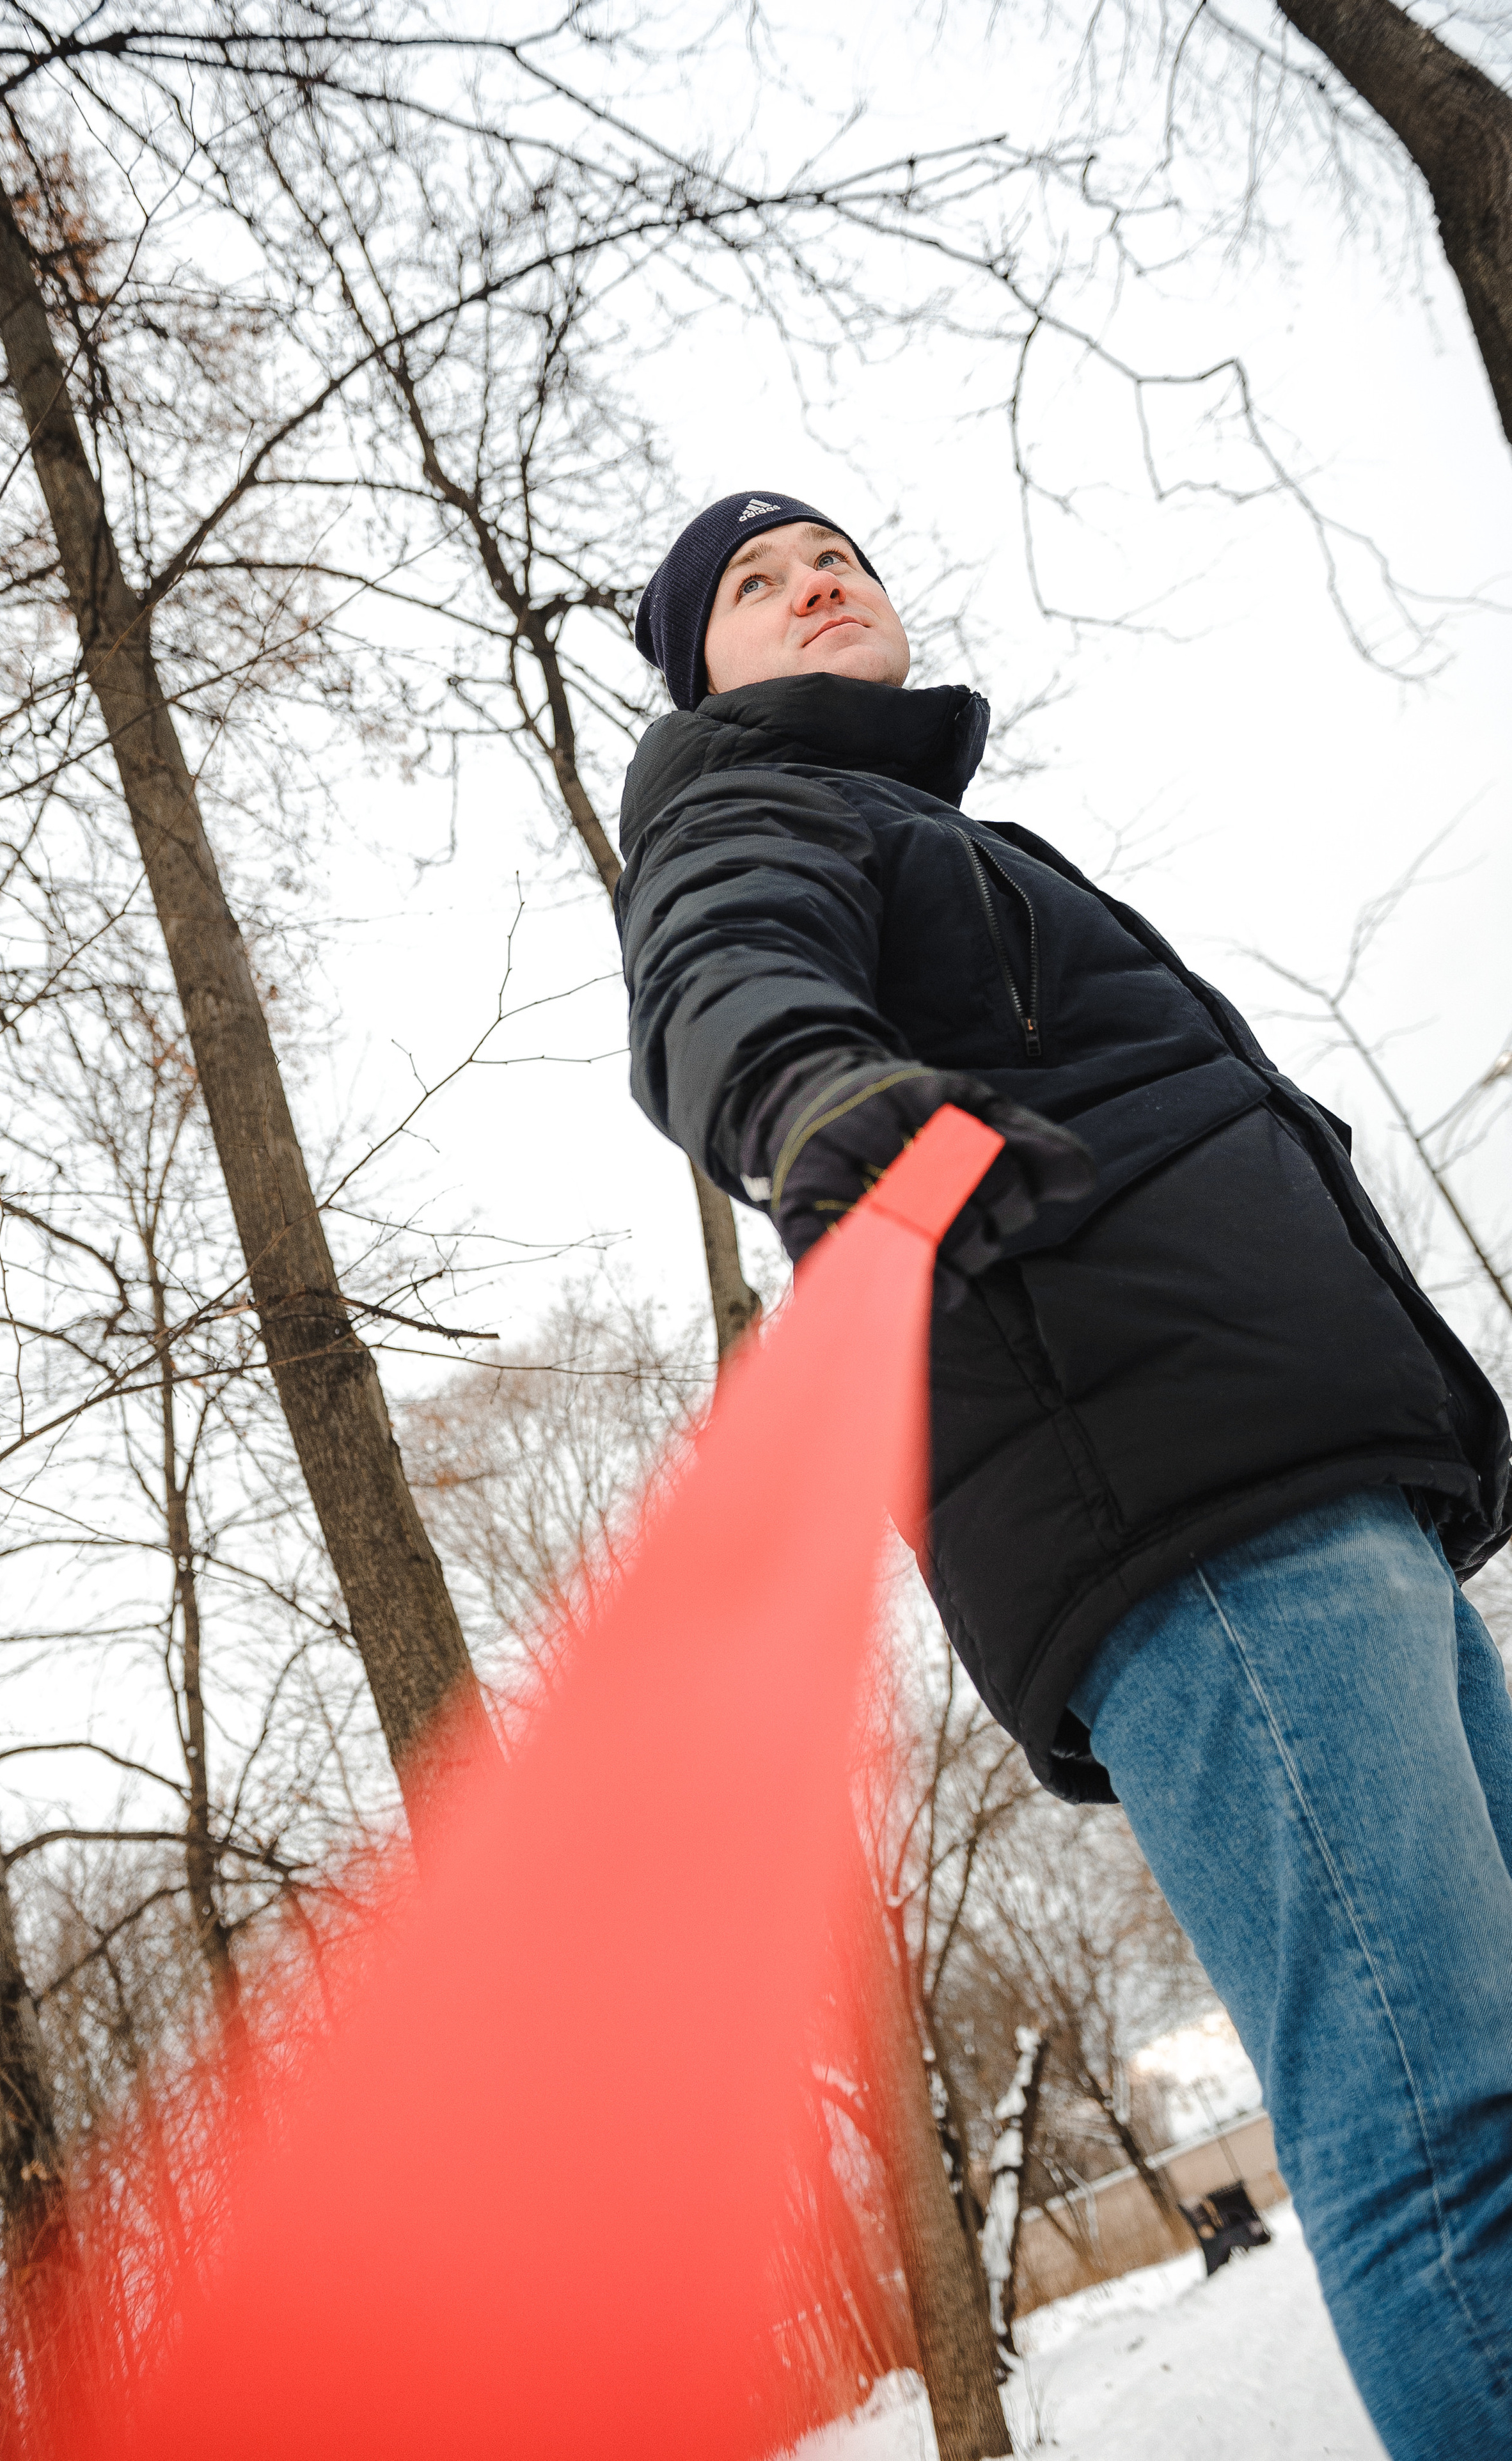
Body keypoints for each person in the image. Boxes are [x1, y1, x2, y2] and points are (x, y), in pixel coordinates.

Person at [615, 490, 1512, 2458]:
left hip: (1309, 1480)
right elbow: (717, 980)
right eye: (753, 588)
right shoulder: (743, 809)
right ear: (703, 674)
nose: (814, 583)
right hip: (1190, 1506)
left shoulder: (939, 837)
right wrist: (814, 1094)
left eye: (831, 551)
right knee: (1444, 2114)